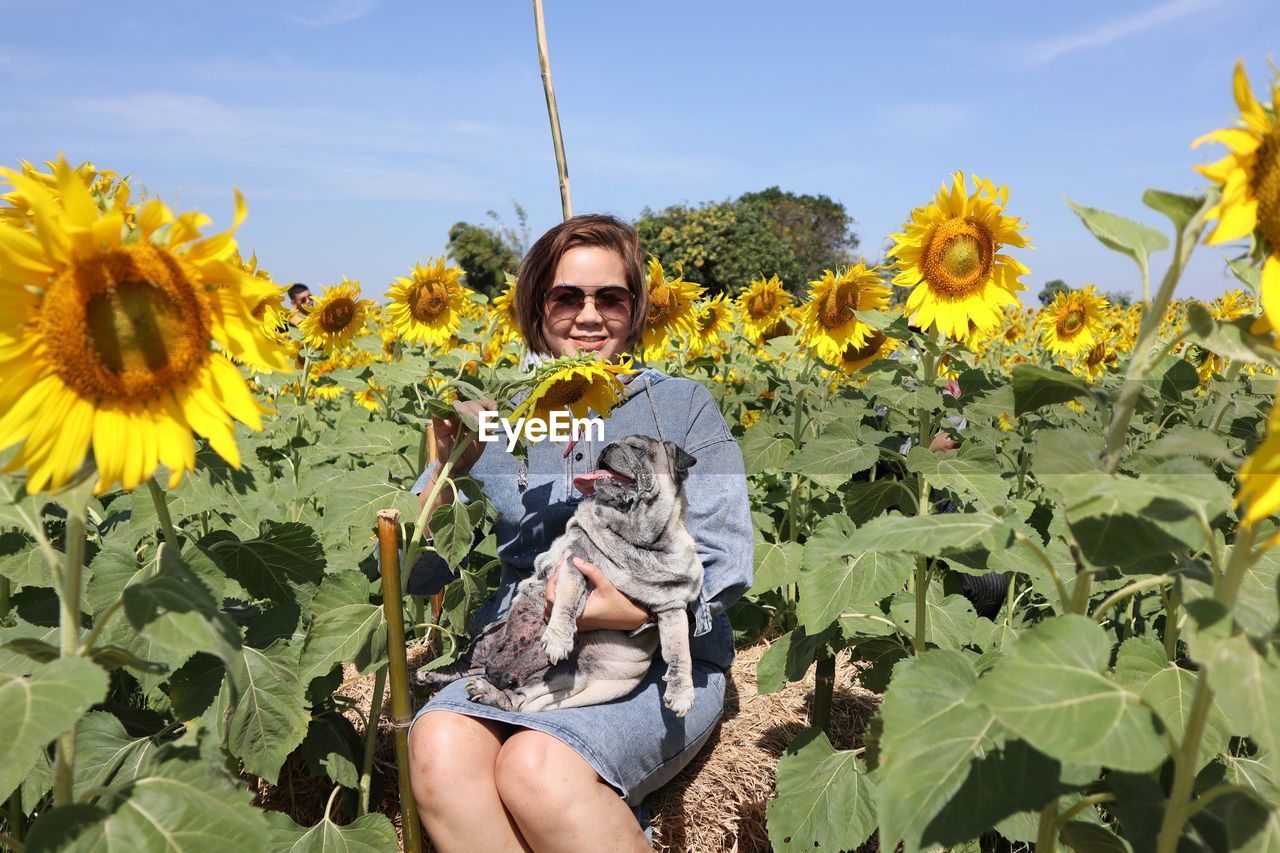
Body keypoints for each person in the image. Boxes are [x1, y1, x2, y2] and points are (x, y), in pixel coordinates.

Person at [407, 214, 753, 852]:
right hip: (522, 656)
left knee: (537, 767)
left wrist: (627, 611)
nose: (588, 315)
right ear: (536, 309)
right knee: (438, 743)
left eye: (610, 298)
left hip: (653, 663)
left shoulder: (679, 406)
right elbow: (417, 575)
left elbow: (726, 557)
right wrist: (445, 474)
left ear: (636, 309)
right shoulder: (509, 416)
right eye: (566, 296)